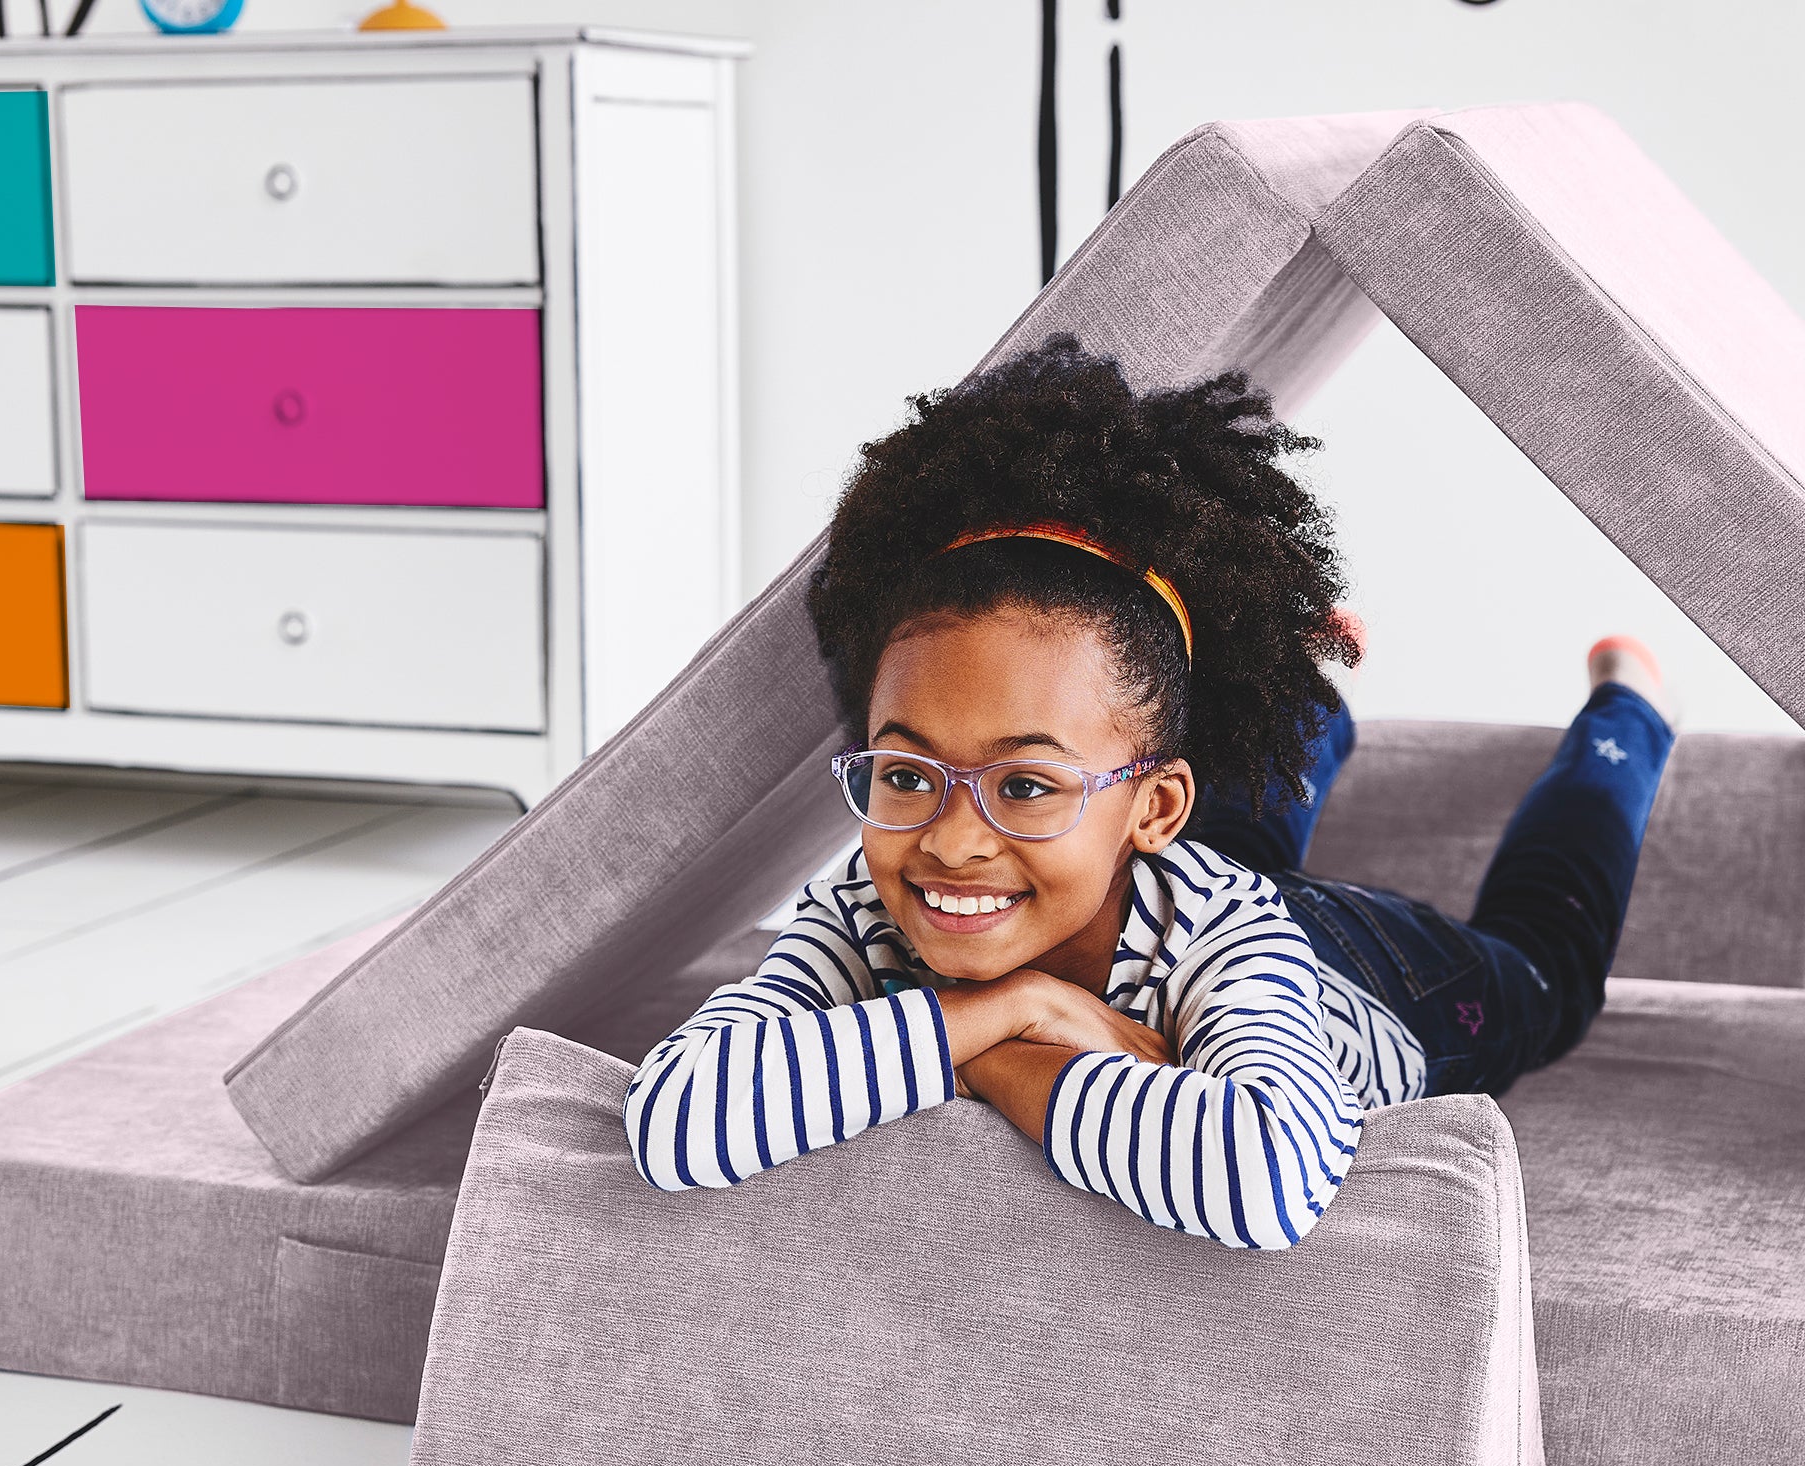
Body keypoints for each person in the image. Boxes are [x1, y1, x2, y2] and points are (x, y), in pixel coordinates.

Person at [623, 338, 1675, 1249]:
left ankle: (1622, 719)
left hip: (1351, 975)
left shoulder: (1227, 934)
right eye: (904, 772)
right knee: (1232, 834)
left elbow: (1266, 1179)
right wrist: (1011, 1014)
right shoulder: (864, 904)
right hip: (1135, 874)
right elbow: (675, 1117)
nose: (948, 840)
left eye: (1022, 781)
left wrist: (959, 1049)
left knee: (1548, 965)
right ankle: (1295, 691)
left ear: (1152, 808)